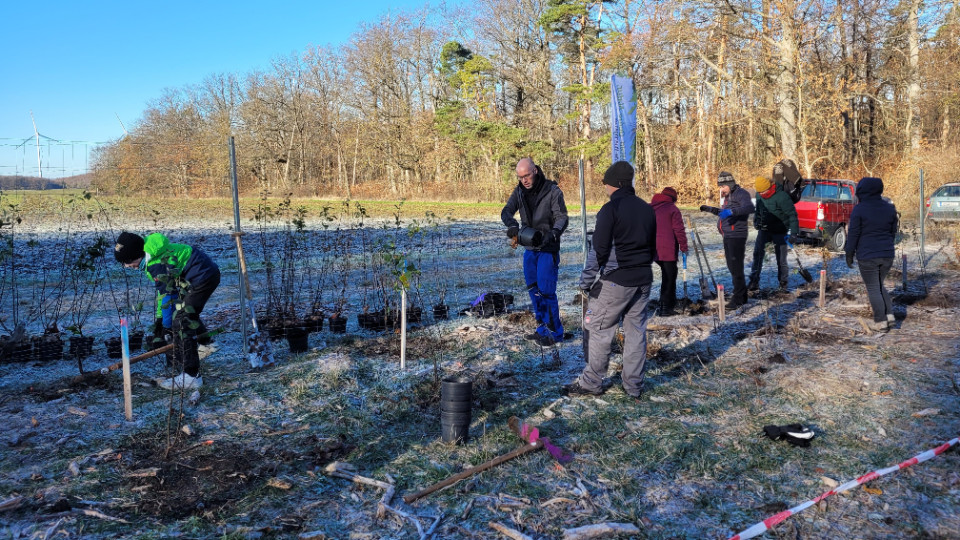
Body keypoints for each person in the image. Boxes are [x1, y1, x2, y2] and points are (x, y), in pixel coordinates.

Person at [564, 161, 656, 399]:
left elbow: (598, 251)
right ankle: (633, 386)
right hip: (644, 278)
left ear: (613, 184)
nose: (604, 187)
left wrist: (585, 282)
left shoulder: (610, 210)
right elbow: (653, 247)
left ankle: (591, 383)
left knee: (599, 327)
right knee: (636, 332)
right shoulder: (647, 209)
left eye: (605, 183)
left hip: (617, 280)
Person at [114, 232, 221, 389]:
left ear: (136, 255)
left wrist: (166, 326)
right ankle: (206, 344)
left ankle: (191, 376)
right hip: (197, 274)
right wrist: (159, 319)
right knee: (184, 311)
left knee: (182, 320)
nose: (126, 266)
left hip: (203, 276)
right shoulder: (152, 254)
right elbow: (163, 292)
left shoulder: (156, 265)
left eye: (127, 262)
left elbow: (167, 296)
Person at [501, 158, 569, 346]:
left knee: (547, 292)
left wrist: (554, 234)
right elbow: (506, 211)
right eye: (520, 177)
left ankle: (555, 334)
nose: (524, 180)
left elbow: (562, 217)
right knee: (534, 291)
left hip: (548, 248)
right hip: (529, 249)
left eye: (527, 175)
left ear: (535, 171)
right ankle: (541, 330)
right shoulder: (519, 192)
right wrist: (513, 226)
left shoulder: (552, 191)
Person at [845, 177, 898, 332]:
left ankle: (880, 321)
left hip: (867, 255)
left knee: (873, 287)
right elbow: (892, 231)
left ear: (861, 191)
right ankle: (890, 317)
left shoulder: (859, 209)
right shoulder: (889, 208)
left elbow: (853, 234)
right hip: (887, 254)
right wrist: (886, 246)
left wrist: (849, 253)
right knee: (879, 285)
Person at [700, 171, 755, 309]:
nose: (721, 189)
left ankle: (737, 299)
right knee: (732, 267)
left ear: (729, 184)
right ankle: (742, 296)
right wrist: (710, 209)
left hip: (737, 235)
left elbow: (750, 207)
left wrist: (732, 212)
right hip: (728, 235)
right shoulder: (727, 197)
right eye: (720, 187)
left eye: (723, 186)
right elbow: (723, 213)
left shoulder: (741, 194)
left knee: (736, 268)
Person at [748, 176, 800, 291]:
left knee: (781, 259)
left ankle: (783, 283)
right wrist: (756, 221)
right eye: (759, 192)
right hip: (764, 230)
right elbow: (758, 211)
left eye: (763, 191)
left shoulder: (782, 197)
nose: (761, 194)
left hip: (780, 230)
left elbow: (792, 215)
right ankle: (754, 281)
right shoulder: (759, 195)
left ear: (770, 187)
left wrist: (794, 233)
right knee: (757, 254)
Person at [650, 187, 688, 315]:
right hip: (666, 248)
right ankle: (665, 307)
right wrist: (684, 247)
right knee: (669, 276)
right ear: (673, 199)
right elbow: (679, 230)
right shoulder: (672, 209)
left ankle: (668, 302)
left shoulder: (651, 207)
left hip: (652, 247)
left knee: (669, 274)